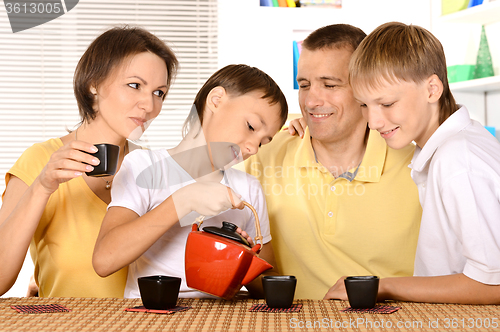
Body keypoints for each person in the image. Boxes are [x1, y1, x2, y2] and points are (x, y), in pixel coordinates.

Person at [240, 24, 422, 300]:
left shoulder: (418, 166)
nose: (312, 100)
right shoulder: (264, 154)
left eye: (330, 85)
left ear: (365, 87)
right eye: (304, 85)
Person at [326, 22, 500, 304]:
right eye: (364, 105)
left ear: (432, 89)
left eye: (387, 103)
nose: (373, 122)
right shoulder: (449, 147)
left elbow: (494, 284)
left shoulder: (457, 160)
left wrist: (383, 287)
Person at [0, 26, 178, 298]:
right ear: (93, 83)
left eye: (159, 93)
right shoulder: (40, 161)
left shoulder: (157, 169)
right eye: (135, 85)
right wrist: (43, 186)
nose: (149, 105)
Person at [92, 64, 288, 299]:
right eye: (251, 127)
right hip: (154, 315)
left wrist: (245, 258)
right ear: (216, 100)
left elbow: (267, 284)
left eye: (263, 142)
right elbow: (104, 260)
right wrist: (184, 200)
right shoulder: (145, 167)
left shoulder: (248, 189)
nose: (253, 147)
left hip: (226, 319)